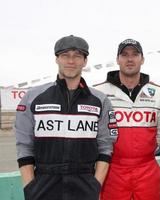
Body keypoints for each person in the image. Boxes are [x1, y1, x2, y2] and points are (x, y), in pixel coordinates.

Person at [14, 35, 117, 200]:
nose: (71, 61)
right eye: (65, 55)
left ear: (85, 61)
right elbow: (24, 146)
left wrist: (95, 185)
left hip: (85, 186)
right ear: (57, 59)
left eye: (77, 56)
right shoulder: (32, 97)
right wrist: (30, 188)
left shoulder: (100, 100)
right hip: (42, 186)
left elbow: (106, 147)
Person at [94, 38, 160, 200]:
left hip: (147, 169)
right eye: (125, 54)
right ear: (117, 59)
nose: (130, 59)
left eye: (135, 54)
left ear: (142, 59)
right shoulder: (99, 93)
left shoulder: (159, 93)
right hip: (112, 170)